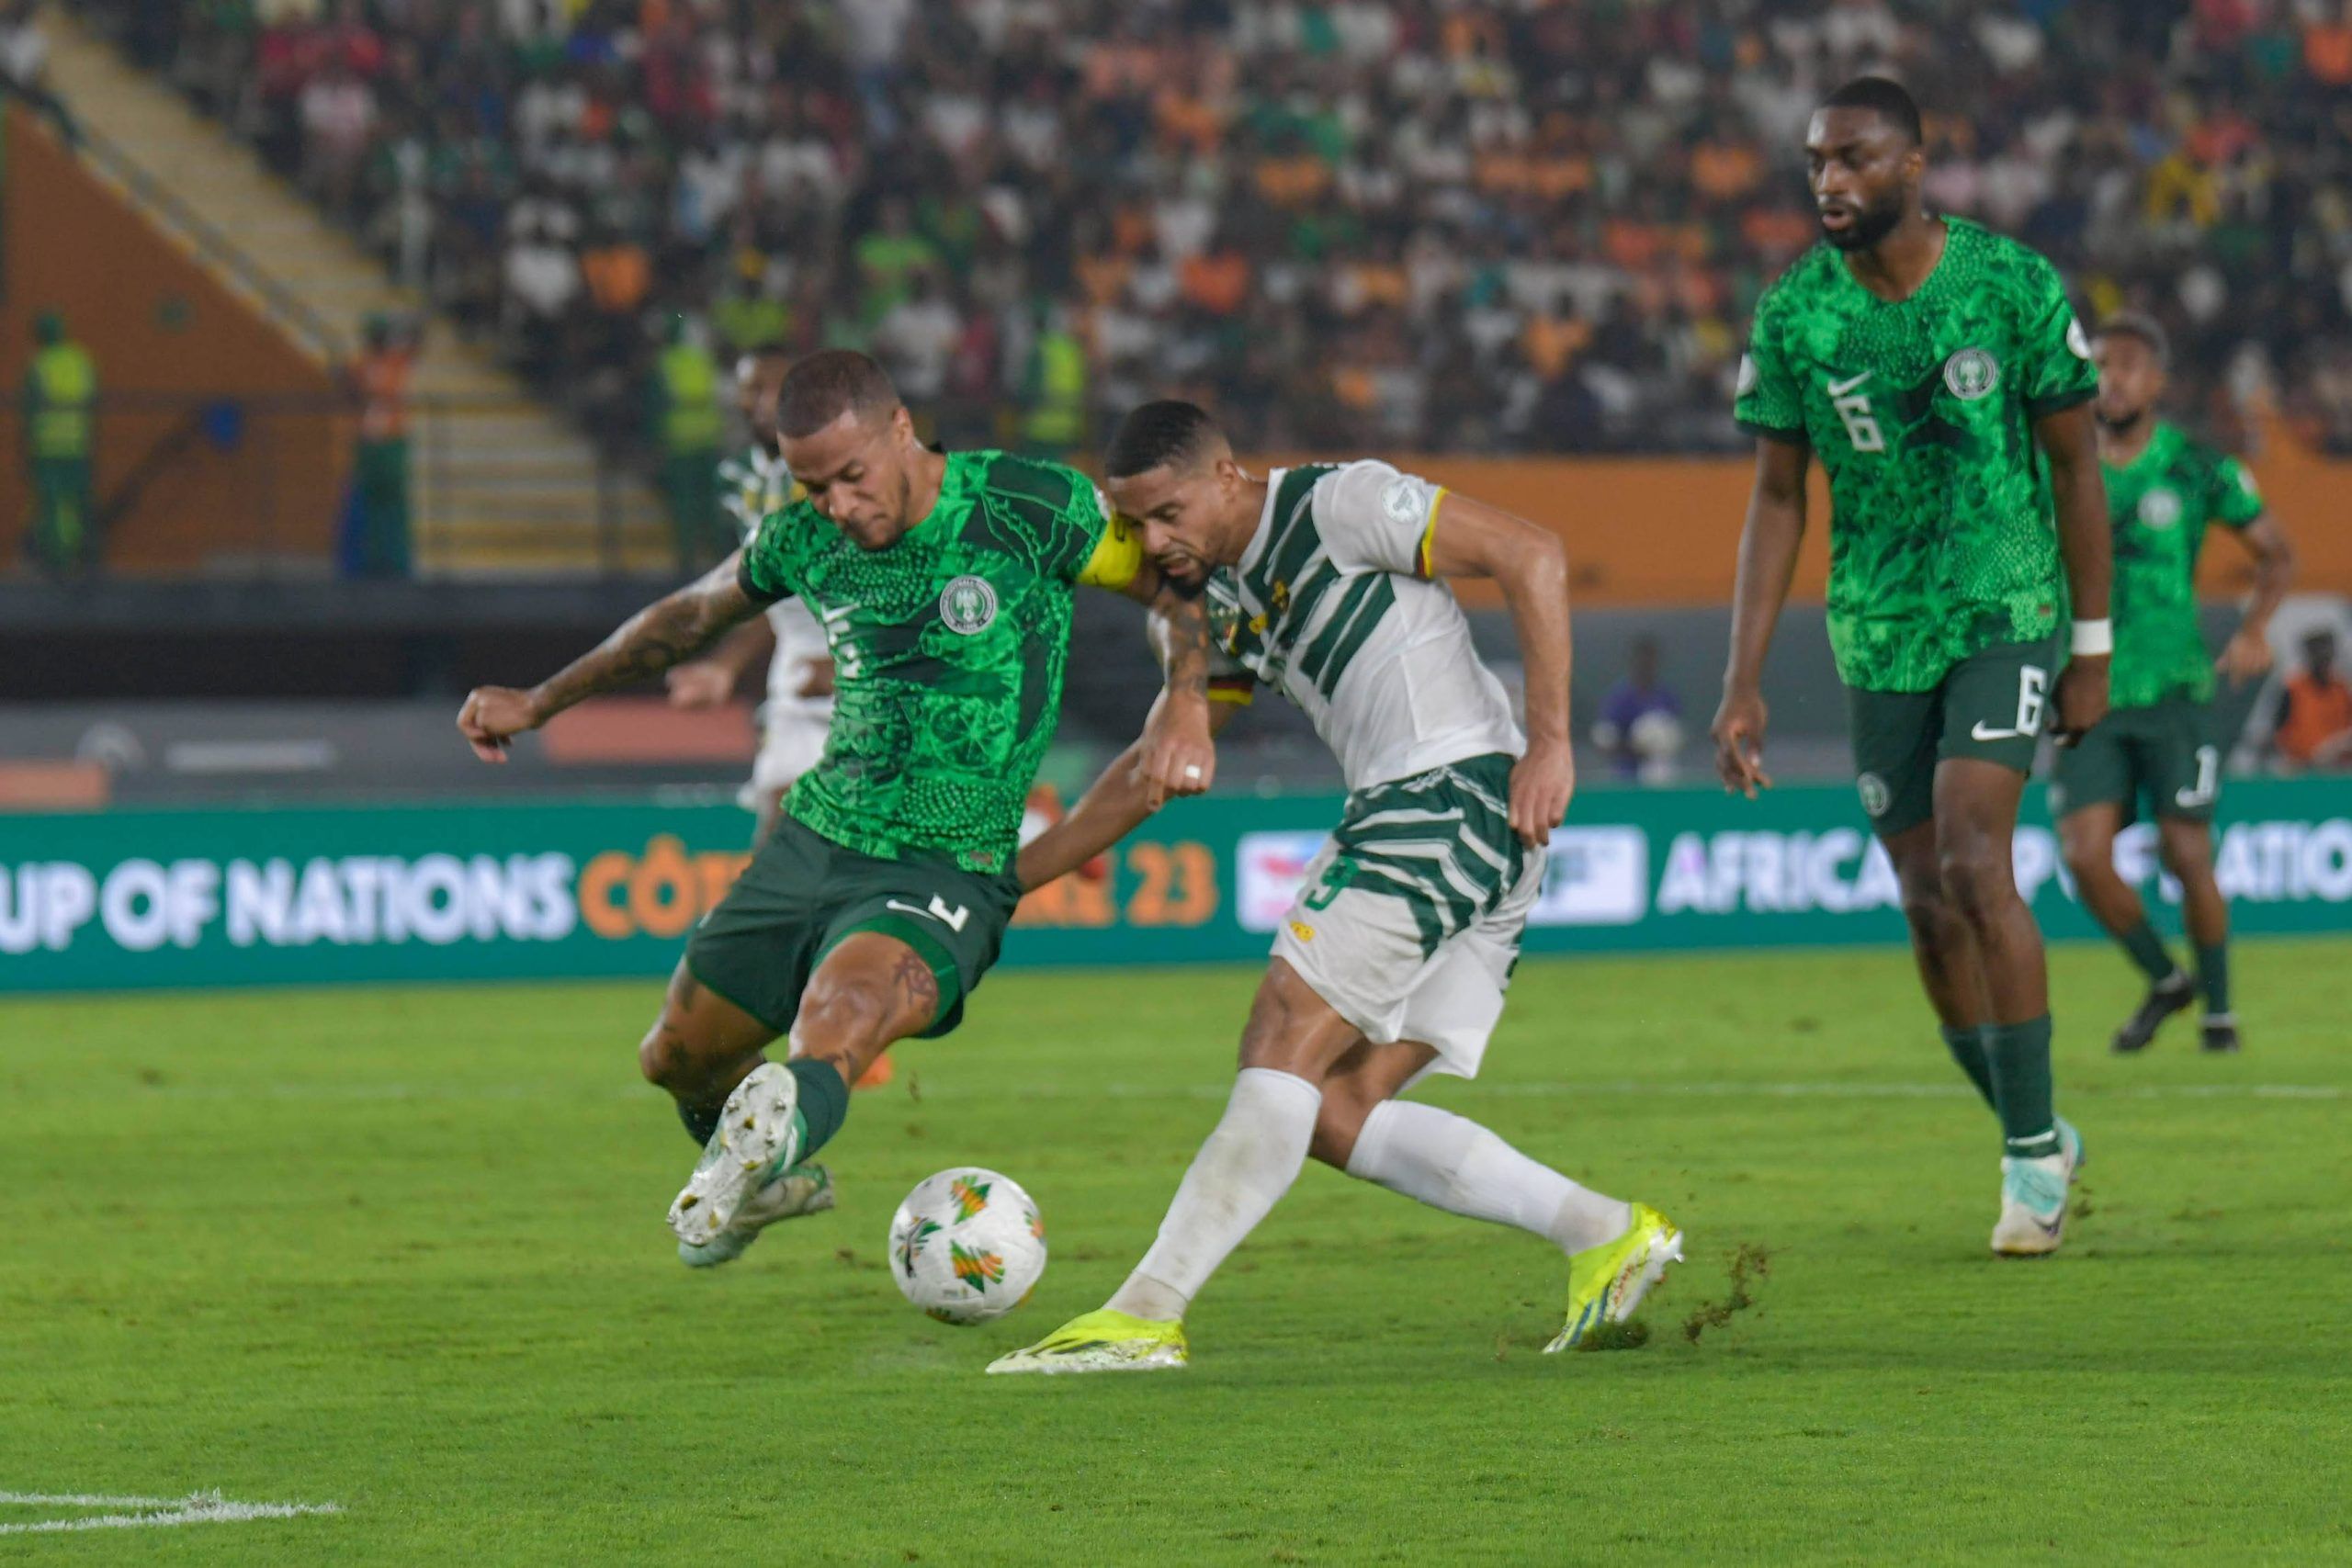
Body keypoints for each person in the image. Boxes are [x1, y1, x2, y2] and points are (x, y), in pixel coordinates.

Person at [456, 351, 1216, 1269]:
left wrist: (1185, 699)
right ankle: (765, 1178)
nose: (839, 507)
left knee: (842, 1014)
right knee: (676, 1059)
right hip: (816, 837)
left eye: (852, 477)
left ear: (900, 429)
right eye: (813, 486)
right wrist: (540, 700)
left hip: (944, 862)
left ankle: (774, 1133)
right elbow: (682, 620)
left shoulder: (1026, 504)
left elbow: (1174, 585)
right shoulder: (802, 541)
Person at [989, 400, 1679, 1376]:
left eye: (1169, 513)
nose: (1154, 542)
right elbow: (1153, 767)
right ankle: (1606, 1235)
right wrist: (1008, 883)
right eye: (1134, 525)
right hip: (1469, 832)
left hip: (1448, 793)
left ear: (1227, 476)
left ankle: (1146, 1312)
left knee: (1281, 1033)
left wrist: (1554, 745)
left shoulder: (1338, 502)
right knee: (1334, 1108)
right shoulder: (1220, 605)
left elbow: (1532, 552)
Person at [1712, 77, 2104, 1258]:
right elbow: (1776, 496)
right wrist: (1742, 679)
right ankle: (2030, 1129)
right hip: (1878, 630)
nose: (1829, 181)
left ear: (1915, 165)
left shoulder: (2011, 284)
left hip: (2005, 603)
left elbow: (2078, 472)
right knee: (1928, 907)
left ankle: (2030, 1167)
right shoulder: (1795, 319)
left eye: (1853, 159)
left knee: (1979, 859)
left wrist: (2088, 646)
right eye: (1815, 162)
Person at [2052, 315, 2295, 1055]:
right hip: (2090, 694)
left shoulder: (2195, 467)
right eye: (2101, 365)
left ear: (2157, 382)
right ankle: (2164, 978)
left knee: (2189, 854)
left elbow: (2276, 554)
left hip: (2175, 692)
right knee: (2084, 856)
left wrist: (2255, 630)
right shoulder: (2056, 465)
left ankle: (2219, 1011)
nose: (2113, 379)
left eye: (2128, 367)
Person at [21, 310, 96, 577]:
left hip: (47, 446)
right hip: (78, 443)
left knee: (51, 505)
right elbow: (91, 401)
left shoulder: (39, 365)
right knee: (79, 501)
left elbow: (30, 409)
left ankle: (57, 561)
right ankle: (88, 557)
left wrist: (24, 451)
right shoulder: (80, 360)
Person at [651, 316, 726, 570]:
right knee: (712, 503)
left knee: (684, 505)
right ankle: (720, 559)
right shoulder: (702, 359)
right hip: (708, 439)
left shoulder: (663, 363)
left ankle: (686, 562)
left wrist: (657, 442)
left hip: (680, 443)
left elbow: (656, 406)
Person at [345, 312, 414, 579]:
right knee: (371, 502)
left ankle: (396, 560)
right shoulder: (362, 366)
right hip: (369, 441)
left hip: (391, 440)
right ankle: (375, 559)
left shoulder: (396, 363)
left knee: (393, 502)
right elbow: (351, 394)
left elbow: (416, 342)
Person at [1592, 635, 1684, 783]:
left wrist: (1662, 744)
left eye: (1650, 660)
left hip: (1662, 777)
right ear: (1633, 662)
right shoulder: (1619, 698)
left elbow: (1676, 734)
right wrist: (1635, 746)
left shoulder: (1667, 696)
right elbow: (1604, 741)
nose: (1646, 665)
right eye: (1641, 660)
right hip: (1626, 778)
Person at [2268, 629, 2352, 772]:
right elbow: (2277, 732)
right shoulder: (2293, 688)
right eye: (2318, 651)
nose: (2323, 656)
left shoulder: (2341, 689)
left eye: (2327, 651)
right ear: (2308, 654)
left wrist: (2335, 747)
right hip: (2300, 768)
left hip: (2337, 769)